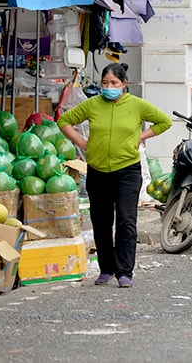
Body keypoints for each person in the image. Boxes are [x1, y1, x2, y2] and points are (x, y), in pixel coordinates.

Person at [58, 63, 172, 288]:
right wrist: (82, 142)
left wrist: (141, 137)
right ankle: (106, 269)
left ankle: (124, 271)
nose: (109, 87)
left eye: (114, 83)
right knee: (101, 222)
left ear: (124, 84)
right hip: (98, 171)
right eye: (105, 83)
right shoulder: (92, 104)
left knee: (126, 220)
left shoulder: (137, 105)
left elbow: (164, 122)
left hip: (127, 171)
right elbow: (63, 121)